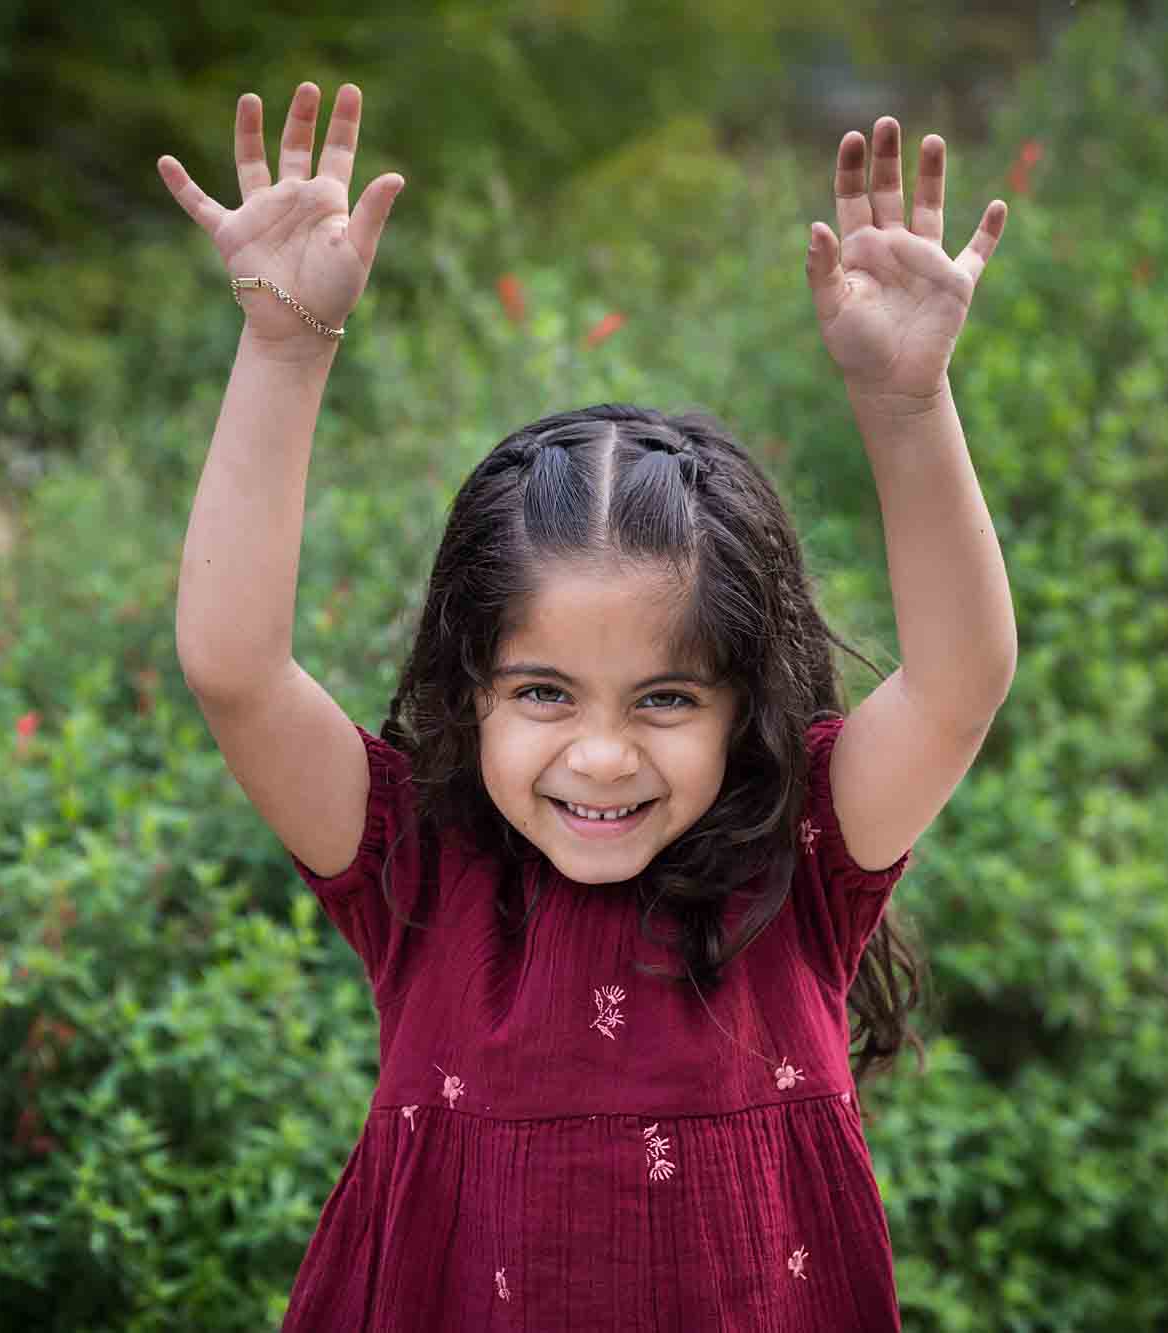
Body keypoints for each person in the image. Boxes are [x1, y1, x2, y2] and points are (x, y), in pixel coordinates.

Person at [160, 79, 1016, 1333]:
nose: (602, 755)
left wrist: (904, 403)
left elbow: (957, 681)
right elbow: (235, 668)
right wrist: (282, 349)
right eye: (543, 692)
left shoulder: (803, 863)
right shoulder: (415, 870)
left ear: (745, 703)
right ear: (470, 690)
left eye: (666, 696)